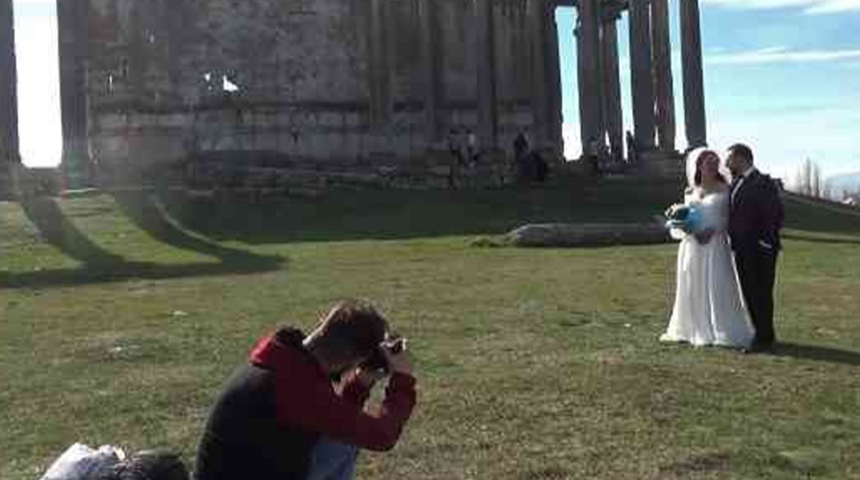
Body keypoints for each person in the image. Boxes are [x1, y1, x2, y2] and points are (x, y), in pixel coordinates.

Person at [194, 300, 417, 480]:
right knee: (347, 442)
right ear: (355, 358)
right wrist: (403, 378)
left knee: (343, 441)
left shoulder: (285, 359)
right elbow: (381, 436)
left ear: (323, 325)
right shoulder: (296, 386)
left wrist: (361, 382)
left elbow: (332, 420)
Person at [660, 148, 756, 348]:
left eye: (715, 163)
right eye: (708, 163)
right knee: (692, 285)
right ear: (699, 166)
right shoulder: (690, 191)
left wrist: (713, 230)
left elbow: (729, 218)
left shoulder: (725, 189)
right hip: (692, 246)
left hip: (715, 244)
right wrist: (688, 228)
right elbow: (685, 218)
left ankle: (720, 330)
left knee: (717, 284)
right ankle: (691, 328)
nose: (713, 166)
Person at [726, 143, 784, 352]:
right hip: (742, 248)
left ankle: (763, 338)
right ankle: (763, 334)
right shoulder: (736, 183)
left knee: (761, 292)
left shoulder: (763, 182)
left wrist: (765, 242)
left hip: (760, 249)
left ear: (742, 158)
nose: (727, 162)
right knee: (750, 291)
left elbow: (775, 213)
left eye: (730, 158)